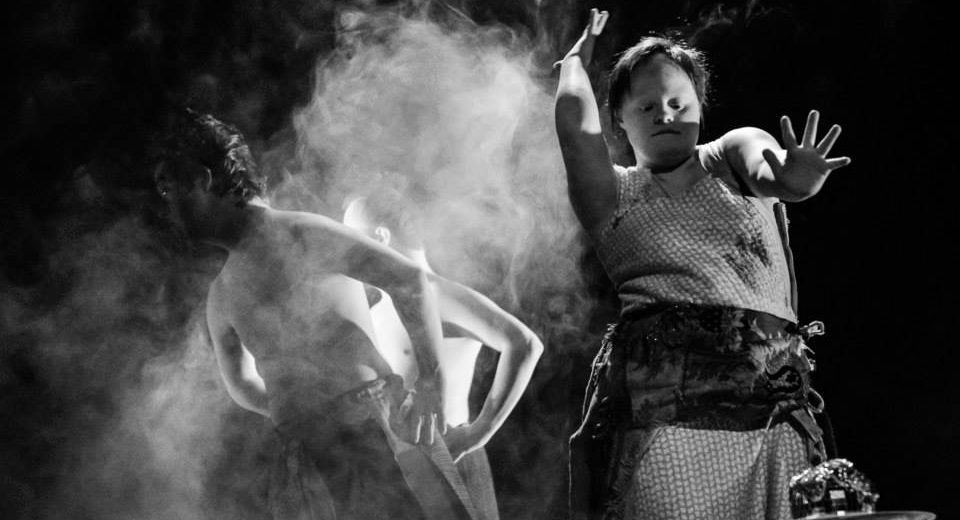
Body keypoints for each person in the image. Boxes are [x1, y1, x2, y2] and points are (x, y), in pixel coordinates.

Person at [152, 110, 541, 520]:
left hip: (373, 434)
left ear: (201, 180)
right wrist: (302, 411)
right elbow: (242, 383)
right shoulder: (221, 294)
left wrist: (430, 380)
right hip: (306, 452)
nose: (168, 208)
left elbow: (409, 280)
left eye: (168, 189)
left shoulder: (301, 234)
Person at [555, 9, 851, 520]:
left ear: (699, 107)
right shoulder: (613, 194)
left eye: (678, 102)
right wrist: (573, 65)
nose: (665, 114)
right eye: (646, 106)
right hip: (664, 420)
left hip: (768, 416)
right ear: (620, 120)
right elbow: (574, 130)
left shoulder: (730, 155)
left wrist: (800, 180)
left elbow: (776, 172)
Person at [342, 188, 543, 520]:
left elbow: (524, 343)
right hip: (404, 464)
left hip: (450, 454)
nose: (348, 251)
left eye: (353, 238)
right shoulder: (378, 305)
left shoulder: (439, 294)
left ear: (379, 237)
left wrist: (481, 431)